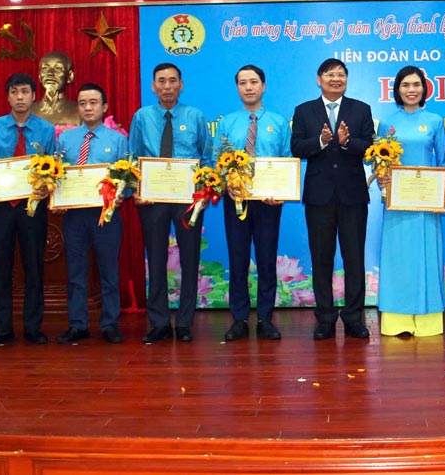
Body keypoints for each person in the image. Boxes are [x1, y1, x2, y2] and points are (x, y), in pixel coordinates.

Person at [291, 58, 375, 340]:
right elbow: (296, 147)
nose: (336, 79)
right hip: (319, 197)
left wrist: (347, 141)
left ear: (347, 79)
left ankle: (353, 317)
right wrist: (322, 141)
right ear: (319, 79)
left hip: (353, 196)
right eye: (330, 74)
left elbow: (370, 147)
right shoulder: (304, 111)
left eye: (341, 74)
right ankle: (325, 318)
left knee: (354, 258)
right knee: (321, 258)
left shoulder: (361, 109)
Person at [130, 63, 212, 344]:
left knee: (190, 259)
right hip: (153, 200)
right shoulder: (142, 117)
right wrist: (135, 189)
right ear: (153, 86)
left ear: (181, 84)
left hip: (188, 200)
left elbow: (207, 157)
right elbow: (133, 157)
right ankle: (159, 323)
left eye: (172, 80)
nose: (167, 86)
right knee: (155, 260)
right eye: (161, 81)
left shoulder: (195, 116)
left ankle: (185, 323)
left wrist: (204, 189)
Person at [0, 73, 57, 346]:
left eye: (24, 92)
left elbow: (53, 168)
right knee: (1, 268)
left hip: (32, 206)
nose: (20, 97)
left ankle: (33, 328)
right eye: (14, 92)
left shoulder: (46, 129)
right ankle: (2, 329)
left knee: (34, 267)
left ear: (34, 96)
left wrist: (48, 188)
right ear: (8, 97)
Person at [214, 65, 290, 341]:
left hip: (269, 201)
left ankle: (266, 318)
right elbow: (217, 160)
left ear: (263, 86)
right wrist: (227, 183)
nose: (248, 87)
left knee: (267, 259)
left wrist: (281, 190)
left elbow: (287, 160)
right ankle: (240, 319)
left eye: (254, 81)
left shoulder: (279, 122)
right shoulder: (227, 123)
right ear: (237, 88)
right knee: (238, 259)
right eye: (243, 82)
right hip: (236, 199)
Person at [375, 66, 445, 337]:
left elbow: (443, 160)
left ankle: (427, 321)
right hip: (396, 202)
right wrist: (381, 177)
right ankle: (397, 321)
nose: (411, 90)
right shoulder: (386, 123)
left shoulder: (434, 121)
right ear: (397, 89)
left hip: (426, 202)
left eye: (416, 84)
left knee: (425, 255)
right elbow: (378, 159)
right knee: (398, 257)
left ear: (424, 88)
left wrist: (443, 192)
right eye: (405, 85)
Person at [56, 83, 130, 343]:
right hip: (74, 216)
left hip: (106, 215)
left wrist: (121, 193)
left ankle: (110, 323)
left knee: (109, 272)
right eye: (82, 103)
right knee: (75, 272)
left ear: (104, 107)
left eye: (93, 103)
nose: (88, 108)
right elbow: (57, 175)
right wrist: (57, 196)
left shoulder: (118, 140)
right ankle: (78, 324)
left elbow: (128, 177)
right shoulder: (65, 139)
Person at [30, 51, 81, 126]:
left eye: (58, 68)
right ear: (40, 76)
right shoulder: (28, 112)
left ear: (70, 76)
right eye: (45, 68)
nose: (50, 73)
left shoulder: (80, 111)